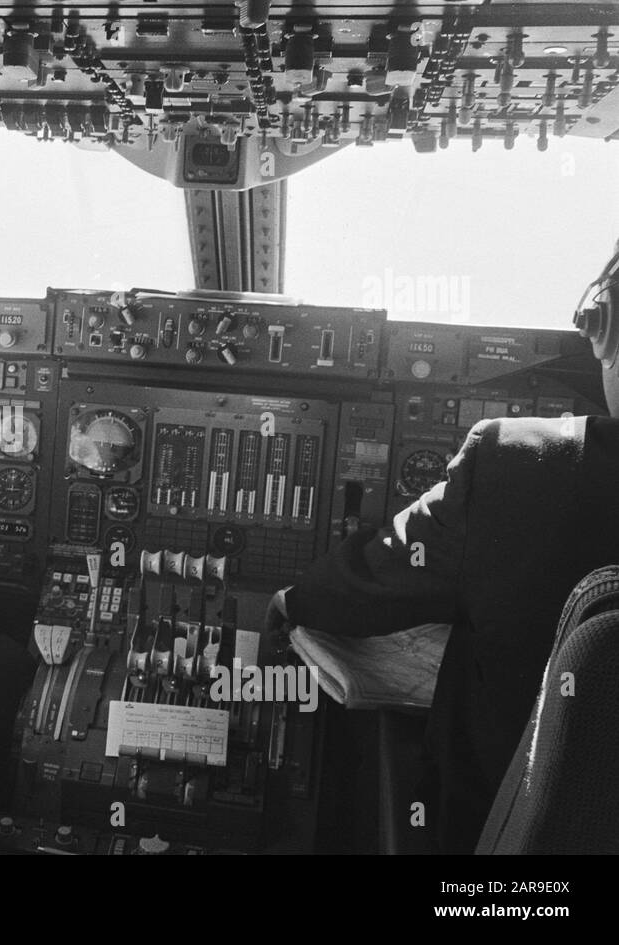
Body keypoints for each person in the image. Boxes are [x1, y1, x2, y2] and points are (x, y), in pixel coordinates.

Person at [271, 251, 619, 854]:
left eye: (595, 324)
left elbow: (371, 585)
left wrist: (288, 603)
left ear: (609, 324)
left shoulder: (525, 465)